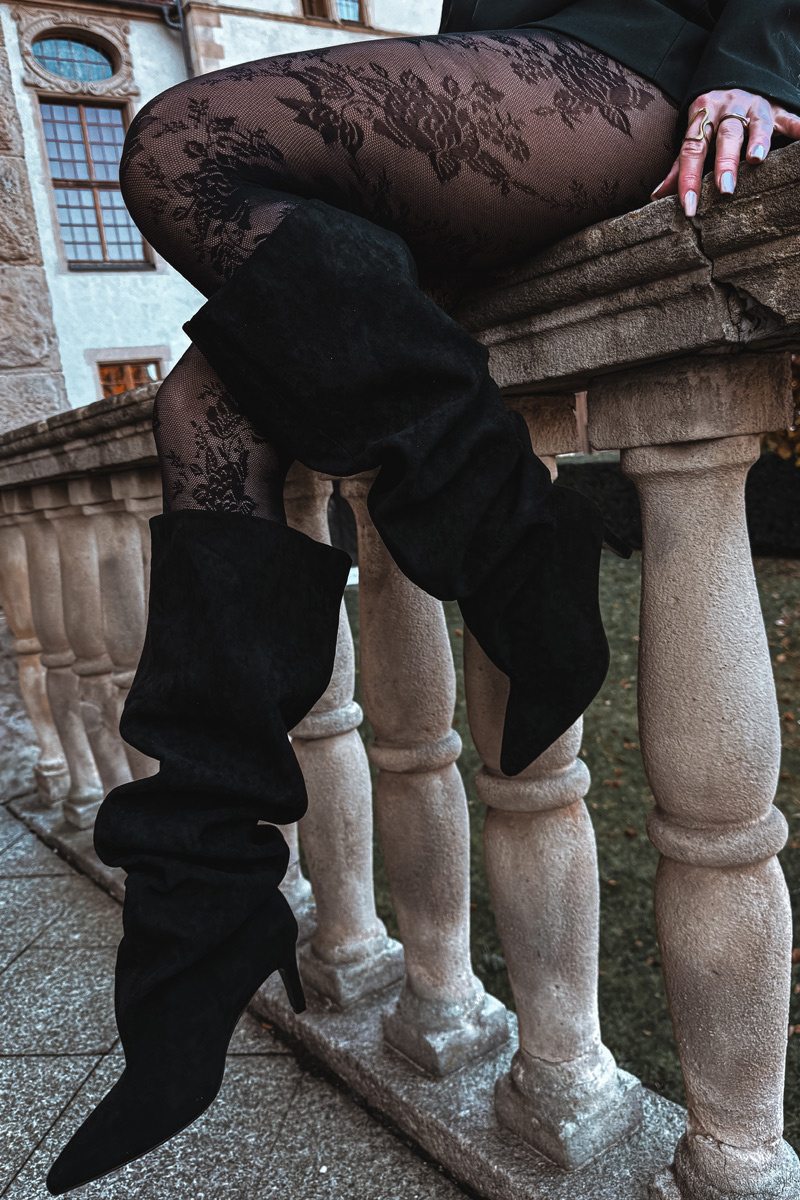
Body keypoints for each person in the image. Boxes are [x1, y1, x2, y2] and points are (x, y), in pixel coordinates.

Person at [45, 1, 800, 1193]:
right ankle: (200, 912)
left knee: (186, 142)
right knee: (199, 410)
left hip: (634, 52)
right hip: (497, 65)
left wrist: (758, 64)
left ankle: (516, 546)